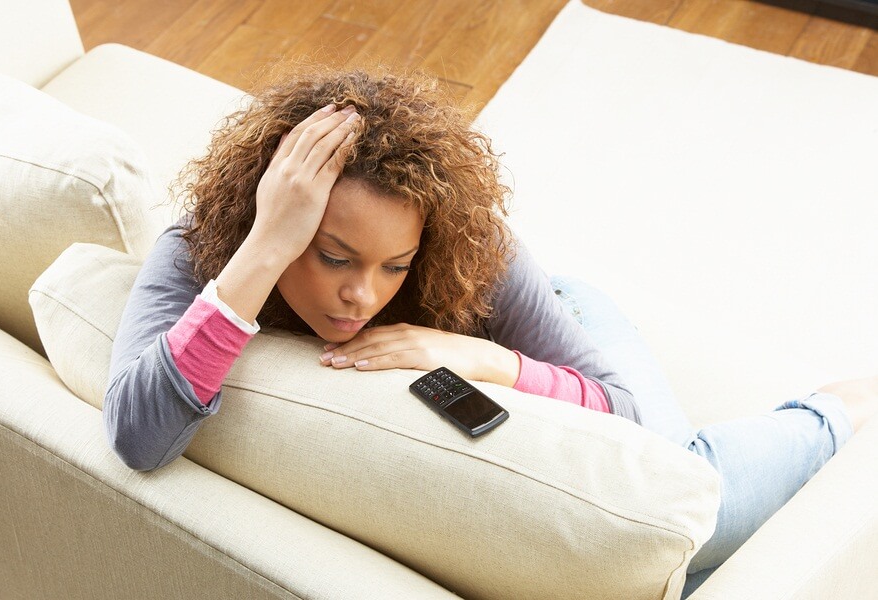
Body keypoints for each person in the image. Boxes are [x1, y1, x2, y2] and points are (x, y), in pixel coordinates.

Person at [105, 67, 878, 593]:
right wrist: (267, 247)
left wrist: (476, 355)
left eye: (394, 268)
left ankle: (831, 414)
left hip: (567, 321)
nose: (360, 298)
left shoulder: (483, 254)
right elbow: (139, 434)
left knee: (687, 475)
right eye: (333, 256)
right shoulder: (207, 251)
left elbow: (628, 416)